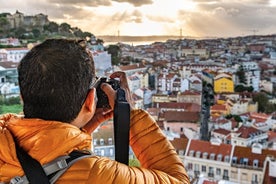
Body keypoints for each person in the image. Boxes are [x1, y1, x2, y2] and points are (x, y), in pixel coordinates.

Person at [0, 39, 190, 183]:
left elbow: (41, 152)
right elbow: (178, 180)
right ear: (91, 100)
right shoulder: (97, 174)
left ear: (23, 96)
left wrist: (80, 132)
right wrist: (131, 116)